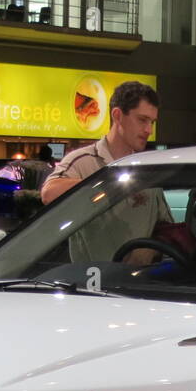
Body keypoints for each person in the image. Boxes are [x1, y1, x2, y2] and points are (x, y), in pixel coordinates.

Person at [41, 80, 171, 264]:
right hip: (92, 283)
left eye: (152, 122)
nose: (148, 130)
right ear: (117, 115)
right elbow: (49, 193)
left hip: (140, 283)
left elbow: (165, 227)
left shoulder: (146, 168)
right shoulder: (82, 161)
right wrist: (108, 184)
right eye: (142, 120)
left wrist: (151, 249)